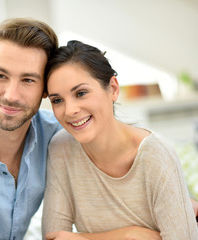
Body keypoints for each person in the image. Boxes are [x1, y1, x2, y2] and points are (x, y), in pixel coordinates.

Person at [0, 18, 198, 240]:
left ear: (43, 90)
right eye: (1, 76)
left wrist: (180, 206)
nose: (11, 94)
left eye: (28, 80)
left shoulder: (59, 134)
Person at [42, 40, 198, 240]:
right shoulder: (61, 147)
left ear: (113, 89)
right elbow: (54, 237)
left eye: (81, 93)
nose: (70, 110)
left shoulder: (156, 154)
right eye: (57, 100)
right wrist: (131, 234)